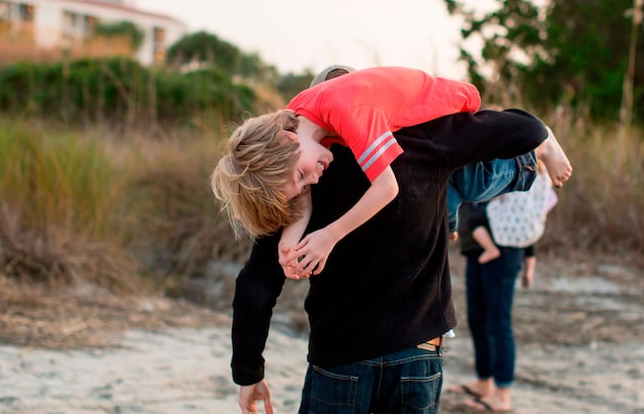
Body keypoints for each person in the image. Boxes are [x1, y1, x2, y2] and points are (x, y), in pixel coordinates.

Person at [226, 107, 553, 414]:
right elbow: (512, 137)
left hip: (340, 359)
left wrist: (249, 371)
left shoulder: (301, 175)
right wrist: (542, 150)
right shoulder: (421, 142)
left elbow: (255, 285)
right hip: (418, 354)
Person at [211, 66, 573, 279]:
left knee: (474, 180)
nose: (313, 181)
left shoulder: (345, 111)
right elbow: (302, 193)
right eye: (303, 182)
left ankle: (540, 147)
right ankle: (447, 218)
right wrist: (290, 242)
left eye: (302, 175)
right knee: (441, 199)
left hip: (441, 107)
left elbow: (387, 188)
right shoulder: (300, 120)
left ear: (287, 140)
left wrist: (329, 236)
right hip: (399, 118)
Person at [449, 160, 558, 413]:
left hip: (505, 251)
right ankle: (484, 382)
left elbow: (525, 217)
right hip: (477, 251)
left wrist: (529, 259)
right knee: (477, 318)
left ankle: (502, 392)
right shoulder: (486, 164)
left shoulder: (517, 169)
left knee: (498, 321)